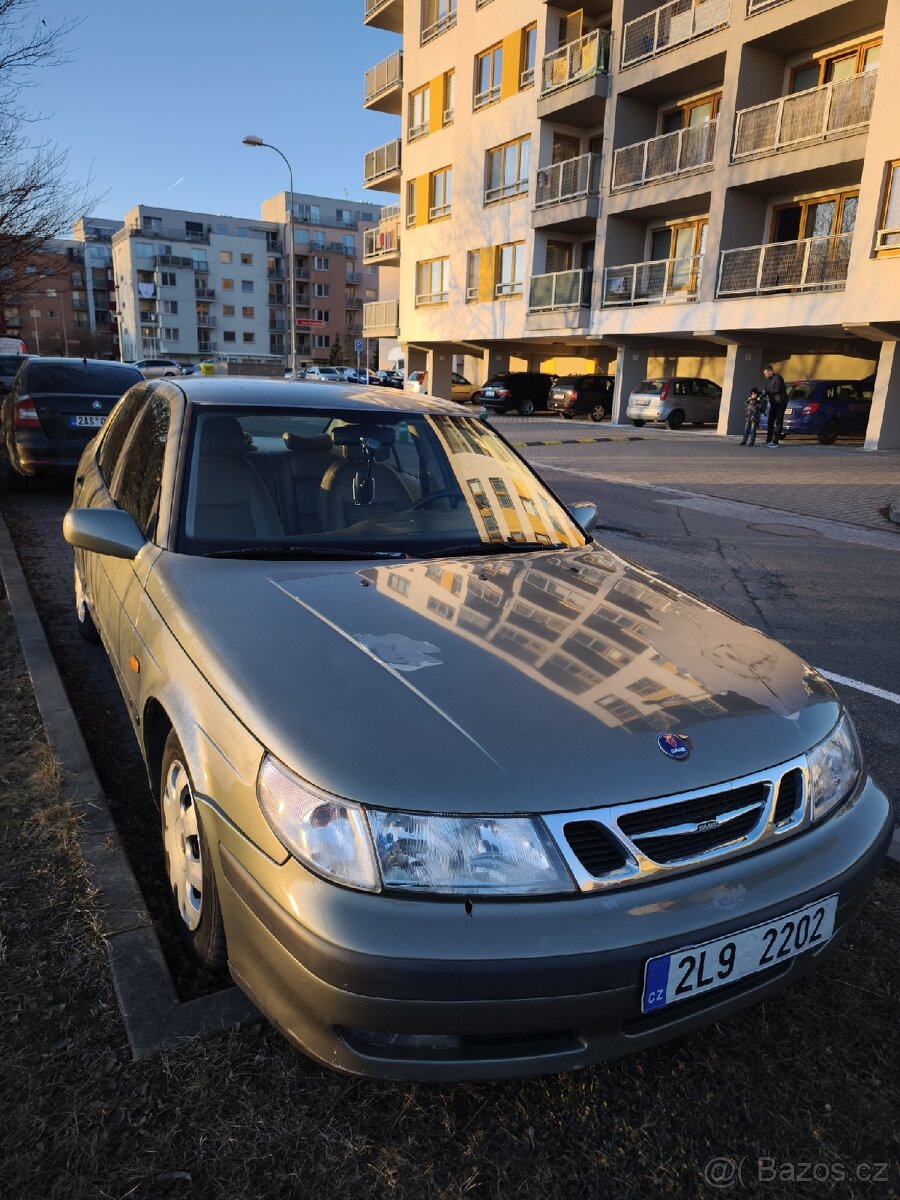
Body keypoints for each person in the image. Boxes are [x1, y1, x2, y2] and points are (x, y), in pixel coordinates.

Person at [761, 365, 788, 446]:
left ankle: (775, 442)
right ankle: (768, 440)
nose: (765, 375)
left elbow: (777, 389)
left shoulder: (778, 378)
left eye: (765, 373)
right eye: (764, 374)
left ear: (770, 371)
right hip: (773, 402)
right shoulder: (768, 380)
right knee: (770, 421)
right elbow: (766, 389)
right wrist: (762, 394)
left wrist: (767, 391)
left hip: (780, 402)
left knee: (778, 422)